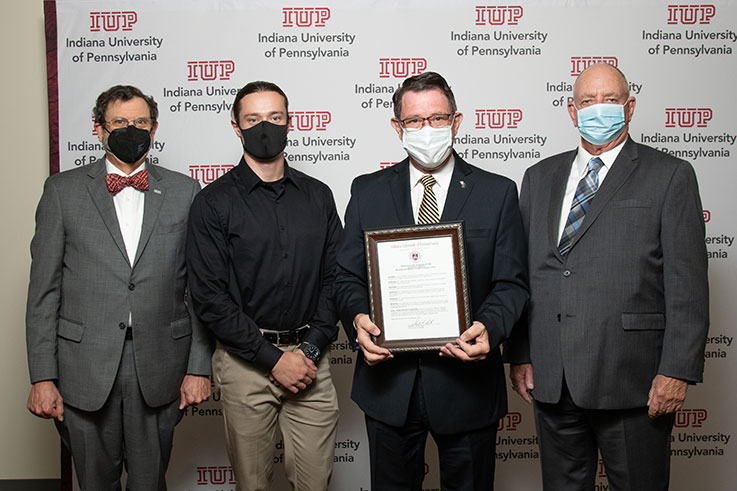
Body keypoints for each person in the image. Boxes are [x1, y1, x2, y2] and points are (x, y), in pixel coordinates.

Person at [505, 63, 709, 490]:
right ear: (571, 110)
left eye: (611, 100)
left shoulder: (670, 175)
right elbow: (526, 275)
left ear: (630, 107)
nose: (599, 109)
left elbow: (687, 285)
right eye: (588, 101)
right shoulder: (539, 177)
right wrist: (521, 353)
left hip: (633, 380)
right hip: (554, 378)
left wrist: (676, 370)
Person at [334, 71, 529, 490]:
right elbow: (345, 276)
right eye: (415, 122)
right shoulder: (367, 191)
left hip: (469, 386)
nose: (427, 130)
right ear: (397, 128)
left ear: (456, 122)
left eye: (438, 119)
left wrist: (490, 328)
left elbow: (512, 284)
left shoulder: (497, 193)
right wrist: (358, 319)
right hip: (388, 387)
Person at [25, 85, 214, 490]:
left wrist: (198, 367)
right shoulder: (62, 191)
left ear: (155, 127)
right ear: (99, 130)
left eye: (141, 122)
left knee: (150, 482)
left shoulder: (185, 191)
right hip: (82, 369)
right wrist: (43, 377)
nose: (132, 130)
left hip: (161, 366)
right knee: (94, 483)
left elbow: (200, 290)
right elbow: (43, 293)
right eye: (120, 123)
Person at [186, 81, 342, 491]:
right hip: (245, 363)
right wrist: (272, 358)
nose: (265, 127)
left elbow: (335, 280)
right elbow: (209, 297)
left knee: (315, 484)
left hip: (312, 361)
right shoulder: (213, 203)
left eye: (275, 117)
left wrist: (308, 351)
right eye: (253, 119)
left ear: (290, 122)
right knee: (252, 484)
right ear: (236, 127)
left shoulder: (319, 196)